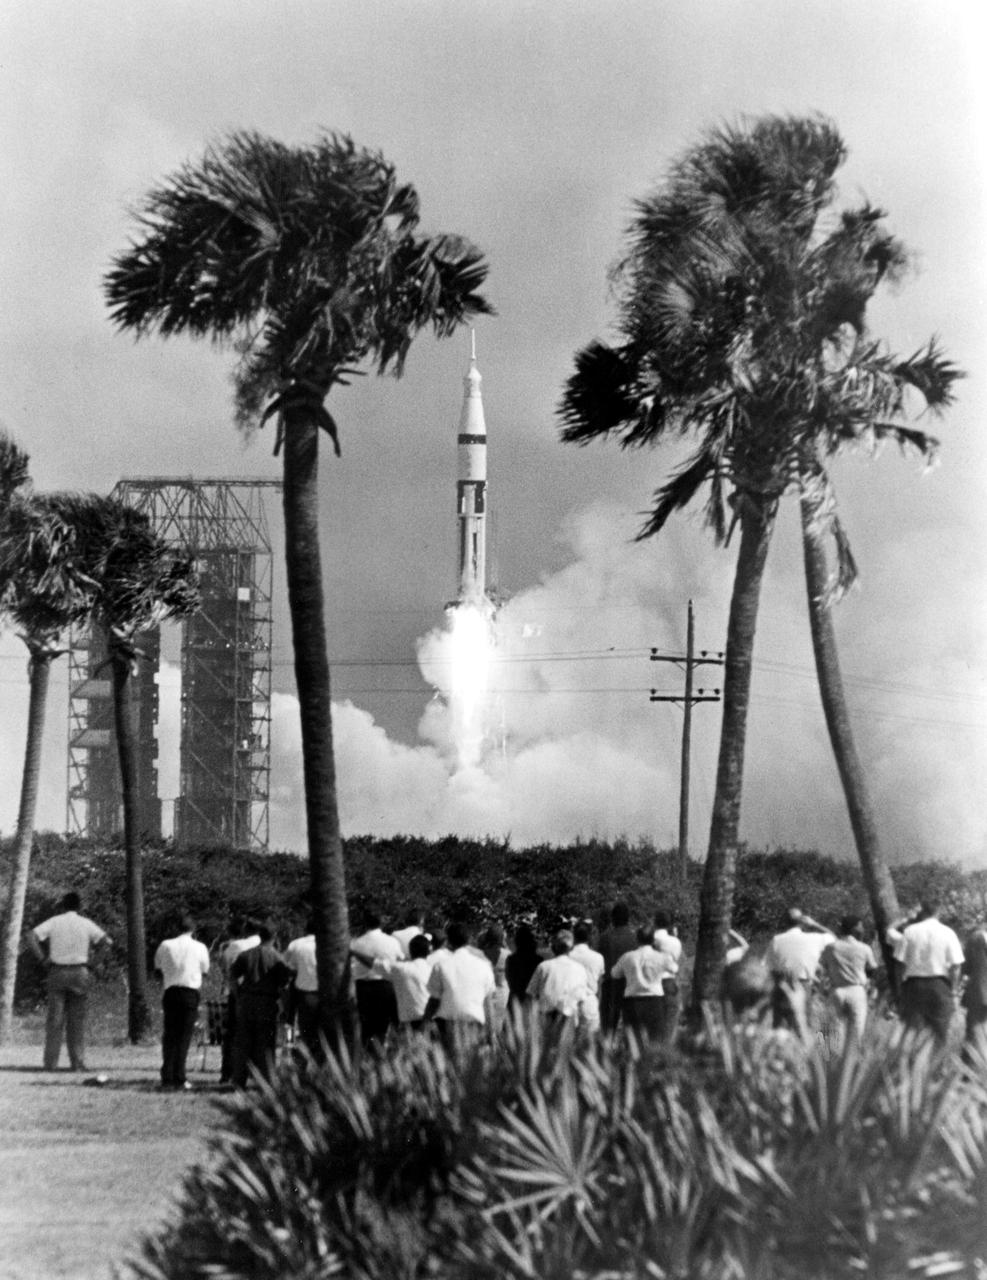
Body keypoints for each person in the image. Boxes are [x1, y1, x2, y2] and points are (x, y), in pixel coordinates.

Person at [27, 892, 111, 1071]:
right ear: (79, 907)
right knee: (76, 1021)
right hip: (80, 971)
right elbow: (107, 942)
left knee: (55, 1020)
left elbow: (31, 936)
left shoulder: (55, 921)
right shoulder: (86, 923)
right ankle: (77, 1063)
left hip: (57, 971)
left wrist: (43, 959)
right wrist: (93, 963)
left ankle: (50, 1064)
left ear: (63, 905)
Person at [230, 922, 292, 1087]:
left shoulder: (245, 955)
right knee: (265, 1043)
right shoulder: (277, 957)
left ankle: (238, 1079)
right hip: (267, 1001)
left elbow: (232, 976)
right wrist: (285, 1008)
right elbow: (284, 986)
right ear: (275, 937)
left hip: (247, 1001)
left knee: (243, 1041)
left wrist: (237, 995)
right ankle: (265, 1080)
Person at [893, 899, 964, 1043]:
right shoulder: (948, 933)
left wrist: (900, 986)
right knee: (940, 1032)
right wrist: (954, 989)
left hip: (913, 984)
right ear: (939, 912)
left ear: (922, 911)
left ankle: (910, 1063)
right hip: (939, 985)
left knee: (911, 1031)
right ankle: (936, 1064)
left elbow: (899, 963)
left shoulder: (909, 931)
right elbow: (956, 965)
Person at [153, 913, 210, 1091]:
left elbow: (157, 968)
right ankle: (179, 1075)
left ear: (177, 928)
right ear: (193, 929)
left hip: (170, 991)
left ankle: (167, 1074)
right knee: (184, 1036)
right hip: (189, 993)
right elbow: (205, 969)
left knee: (170, 1034)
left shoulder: (165, 945)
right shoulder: (200, 947)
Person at [426, 920, 495, 1051]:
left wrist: (424, 1024)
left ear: (448, 941)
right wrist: (492, 1035)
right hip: (474, 1026)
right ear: (469, 939)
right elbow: (488, 1004)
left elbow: (434, 1001)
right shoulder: (484, 966)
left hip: (446, 1026)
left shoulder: (441, 966)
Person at [764, 908, 834, 1033]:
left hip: (781, 985)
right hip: (803, 984)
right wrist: (814, 924)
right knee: (803, 1025)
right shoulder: (815, 938)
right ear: (802, 922)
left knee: (780, 1027)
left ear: (784, 922)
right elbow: (834, 938)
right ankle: (809, 1050)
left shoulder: (776, 940)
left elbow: (767, 967)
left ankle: (781, 1050)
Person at [352, 933, 433, 1032]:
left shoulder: (401, 969)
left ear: (410, 951)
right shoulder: (433, 969)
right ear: (429, 951)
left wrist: (353, 952)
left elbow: (374, 963)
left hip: (411, 1024)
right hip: (432, 1021)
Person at [611, 926, 676, 1044]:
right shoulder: (661, 957)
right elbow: (673, 969)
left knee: (633, 1042)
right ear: (653, 940)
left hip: (632, 1002)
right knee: (655, 1039)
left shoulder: (628, 956)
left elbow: (615, 973)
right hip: (655, 1001)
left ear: (637, 939)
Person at [818, 915, 877, 1046]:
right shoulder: (864, 948)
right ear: (855, 928)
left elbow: (823, 967)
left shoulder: (831, 947)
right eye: (860, 926)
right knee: (857, 1029)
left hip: (836, 989)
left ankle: (831, 1058)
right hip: (856, 990)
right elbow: (873, 970)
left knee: (834, 1028)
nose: (862, 929)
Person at [350, 909, 403, 1047]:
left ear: (365, 922)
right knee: (382, 1028)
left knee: (365, 1029)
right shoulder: (392, 941)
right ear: (382, 922)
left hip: (362, 988)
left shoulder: (356, 943)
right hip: (385, 987)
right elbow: (400, 960)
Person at [527, 930, 599, 1030]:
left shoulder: (544, 967)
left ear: (553, 947)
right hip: (569, 1019)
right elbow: (581, 998)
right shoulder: (579, 969)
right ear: (571, 948)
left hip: (545, 1017)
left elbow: (531, 993)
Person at [219, 917, 260, 1084]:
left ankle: (228, 1072)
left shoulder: (236, 946)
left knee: (233, 1035)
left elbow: (225, 967)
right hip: (261, 996)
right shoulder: (270, 945)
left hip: (238, 994)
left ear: (245, 929)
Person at [598, 902, 637, 1033]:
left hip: (610, 985)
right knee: (630, 1025)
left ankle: (606, 1048)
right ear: (628, 918)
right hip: (630, 985)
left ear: (613, 918)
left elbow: (599, 961)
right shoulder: (634, 938)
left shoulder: (604, 938)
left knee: (608, 1025)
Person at [285, 915, 319, 1057]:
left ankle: (288, 1045)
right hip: (322, 991)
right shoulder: (326, 944)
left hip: (301, 990)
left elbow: (288, 966)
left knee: (290, 1021)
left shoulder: (295, 944)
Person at [652, 910, 683, 1046]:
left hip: (652, 982)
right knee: (670, 1019)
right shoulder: (674, 942)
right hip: (668, 981)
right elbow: (676, 959)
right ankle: (665, 1050)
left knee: (654, 1020)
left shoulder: (649, 937)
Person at [478, 924, 510, 1033]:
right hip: (502, 993)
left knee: (484, 1028)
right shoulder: (507, 955)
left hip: (484, 994)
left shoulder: (481, 954)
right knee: (498, 1028)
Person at [961, 915, 987, 1051]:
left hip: (979, 991)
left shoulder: (975, 938)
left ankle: (970, 1067)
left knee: (974, 1032)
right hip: (980, 991)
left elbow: (965, 967)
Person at [505, 923, 542, 1010]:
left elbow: (509, 980)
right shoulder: (538, 960)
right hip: (532, 1002)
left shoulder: (511, 959)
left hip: (515, 1000)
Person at [570, 920, 605, 996]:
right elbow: (599, 985)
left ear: (574, 936)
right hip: (590, 999)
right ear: (589, 936)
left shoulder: (567, 956)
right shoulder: (598, 957)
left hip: (571, 999)